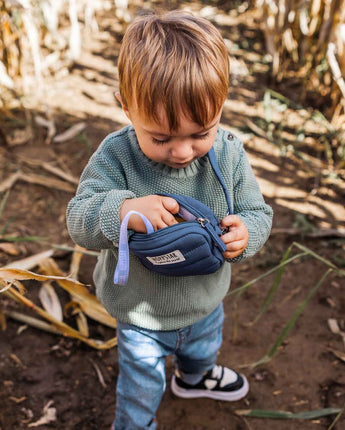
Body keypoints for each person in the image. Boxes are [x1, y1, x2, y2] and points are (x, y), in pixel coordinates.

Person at [66, 10, 273, 430]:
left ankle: (194, 377)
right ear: (127, 108)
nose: (181, 152)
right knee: (140, 386)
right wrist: (123, 211)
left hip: (205, 301)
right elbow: (78, 218)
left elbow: (258, 211)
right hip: (141, 317)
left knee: (203, 347)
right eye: (160, 138)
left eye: (201, 133)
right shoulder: (117, 156)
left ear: (220, 107)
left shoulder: (230, 153)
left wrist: (247, 234)